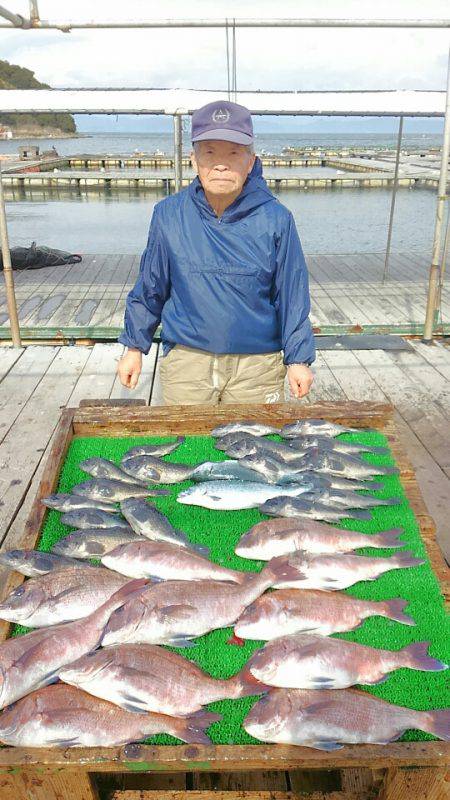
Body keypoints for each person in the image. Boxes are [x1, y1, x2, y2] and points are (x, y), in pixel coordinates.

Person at [117, 100, 315, 404]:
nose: (221, 164)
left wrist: (298, 359)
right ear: (194, 160)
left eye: (234, 153)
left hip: (257, 367)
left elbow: (291, 295)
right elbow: (151, 286)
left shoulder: (277, 219)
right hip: (188, 361)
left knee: (255, 448)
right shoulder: (168, 215)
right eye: (210, 152)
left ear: (250, 162)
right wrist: (133, 347)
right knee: (186, 447)